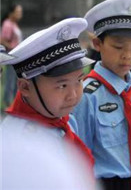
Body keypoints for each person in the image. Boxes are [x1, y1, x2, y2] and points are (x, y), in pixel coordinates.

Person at [72, 0, 131, 190]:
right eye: (118, 47)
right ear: (98, 44)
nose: (127, 55)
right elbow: (79, 154)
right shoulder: (86, 95)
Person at [1, 18, 95, 167]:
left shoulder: (67, 121)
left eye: (79, 80)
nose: (73, 95)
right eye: (62, 85)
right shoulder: (15, 141)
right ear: (25, 87)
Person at [1, 3, 23, 108]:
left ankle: (15, 103)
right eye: (18, 12)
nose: (20, 14)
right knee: (10, 80)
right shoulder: (7, 24)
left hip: (16, 57)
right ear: (12, 13)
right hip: (11, 56)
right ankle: (7, 104)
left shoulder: (14, 24)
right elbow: (2, 40)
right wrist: (13, 48)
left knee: (16, 81)